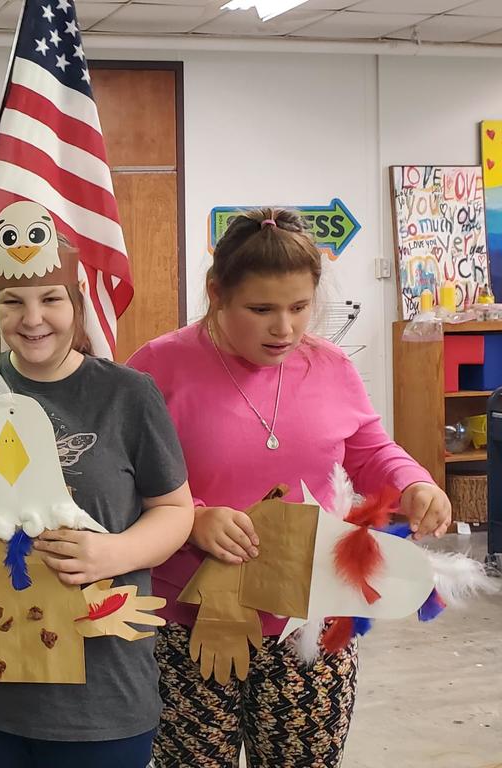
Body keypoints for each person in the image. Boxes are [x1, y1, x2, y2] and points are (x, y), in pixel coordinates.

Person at [127, 207, 452, 768]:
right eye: (262, 310)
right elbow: (120, 477)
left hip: (309, 619)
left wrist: (414, 483)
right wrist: (194, 518)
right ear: (216, 293)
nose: (285, 329)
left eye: (300, 308)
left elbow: (371, 449)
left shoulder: (329, 367)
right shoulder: (158, 368)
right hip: (187, 620)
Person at [0, 208, 195, 768]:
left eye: (51, 299)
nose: (33, 318)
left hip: (98, 694)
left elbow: (175, 510)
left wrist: (112, 552)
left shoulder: (128, 394)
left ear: (76, 305)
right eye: (13, 302)